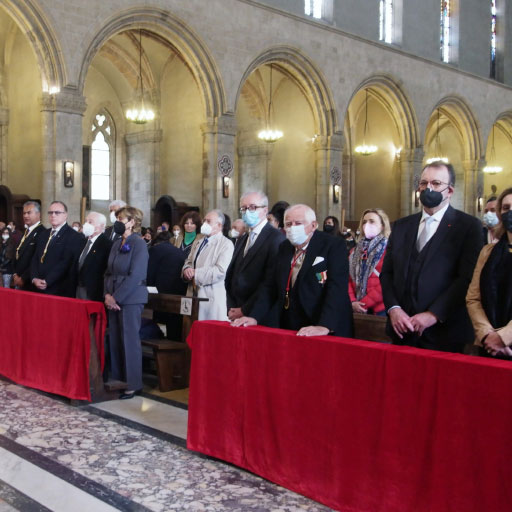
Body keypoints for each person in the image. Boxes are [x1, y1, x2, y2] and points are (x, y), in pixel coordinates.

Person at [380, 161, 483, 352]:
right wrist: (394, 309)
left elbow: (466, 279)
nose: (428, 188)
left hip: (445, 332)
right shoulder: (402, 226)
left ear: (450, 190)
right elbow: (387, 273)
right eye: (423, 183)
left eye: (436, 184)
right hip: (401, 329)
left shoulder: (468, 227)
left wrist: (433, 315)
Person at [233, 204, 353, 337]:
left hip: (325, 324)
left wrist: (324, 325)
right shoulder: (284, 247)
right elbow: (270, 286)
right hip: (293, 323)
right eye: (288, 224)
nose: (292, 228)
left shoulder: (333, 245)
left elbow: (336, 288)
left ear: (313, 225)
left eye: (298, 223)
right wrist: (254, 316)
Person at [104, 206, 148, 399]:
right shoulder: (116, 243)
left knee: (129, 340)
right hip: (112, 295)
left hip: (130, 298)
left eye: (121, 219)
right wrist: (106, 294)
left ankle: (133, 383)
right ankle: (118, 379)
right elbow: (108, 271)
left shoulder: (138, 244)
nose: (118, 222)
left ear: (132, 222)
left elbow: (137, 274)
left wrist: (117, 297)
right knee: (115, 338)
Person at [467, 187, 512, 358]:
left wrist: (503, 338)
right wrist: (487, 334)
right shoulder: (487, 252)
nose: (510, 212)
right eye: (506, 208)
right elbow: (473, 297)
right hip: (487, 344)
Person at [225, 191, 285, 321]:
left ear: (265, 210)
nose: (247, 212)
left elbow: (269, 282)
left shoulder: (276, 239)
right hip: (236, 310)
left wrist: (245, 310)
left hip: (259, 314)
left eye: (252, 207)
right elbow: (232, 274)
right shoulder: (243, 238)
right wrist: (232, 307)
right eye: (244, 208)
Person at [182, 209, 234, 320]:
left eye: (208, 221)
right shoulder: (198, 241)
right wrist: (187, 269)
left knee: (207, 331)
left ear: (219, 225)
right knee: (188, 330)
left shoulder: (226, 244)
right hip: (192, 293)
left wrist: (195, 273)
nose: (204, 223)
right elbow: (189, 260)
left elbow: (220, 271)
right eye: (204, 220)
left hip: (210, 295)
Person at [30, 201, 83, 297]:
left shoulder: (74, 236)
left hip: (58, 289)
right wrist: (34, 278)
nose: (53, 215)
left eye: (57, 212)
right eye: (50, 213)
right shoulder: (43, 234)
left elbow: (65, 262)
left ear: (65, 215)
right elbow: (35, 258)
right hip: (37, 287)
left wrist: (47, 281)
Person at [348, 208, 391, 316]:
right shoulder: (354, 251)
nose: (367, 225)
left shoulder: (389, 250)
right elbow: (347, 278)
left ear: (382, 225)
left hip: (380, 308)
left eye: (372, 221)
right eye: (364, 222)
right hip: (356, 307)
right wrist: (352, 301)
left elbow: (388, 282)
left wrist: (364, 304)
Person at [147, 230, 187, 340]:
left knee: (155, 320)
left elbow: (149, 272)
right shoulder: (178, 251)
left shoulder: (155, 250)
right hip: (179, 293)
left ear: (156, 242)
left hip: (161, 293)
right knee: (175, 325)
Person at [76, 212, 112, 301]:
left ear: (102, 225)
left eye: (90, 222)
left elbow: (107, 270)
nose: (86, 224)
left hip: (93, 292)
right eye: (86, 221)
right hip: (77, 288)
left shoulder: (107, 245)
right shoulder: (82, 241)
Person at [12, 201, 45, 291]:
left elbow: (37, 259)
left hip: (29, 282)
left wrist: (23, 278)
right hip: (18, 279)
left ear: (38, 214)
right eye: (24, 213)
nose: (25, 216)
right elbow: (17, 254)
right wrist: (14, 274)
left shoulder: (42, 232)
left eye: (29, 213)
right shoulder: (26, 232)